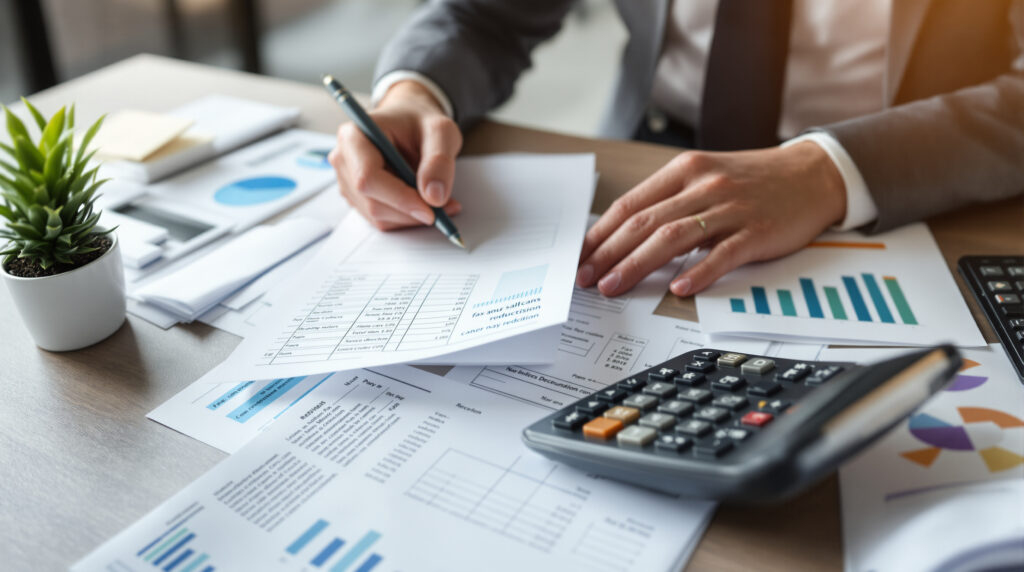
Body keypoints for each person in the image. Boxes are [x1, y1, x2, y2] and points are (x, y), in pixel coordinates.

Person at [328, 0, 1024, 298]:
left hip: (905, 183)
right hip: (644, 171)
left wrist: (829, 170)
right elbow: (484, 14)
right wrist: (414, 92)